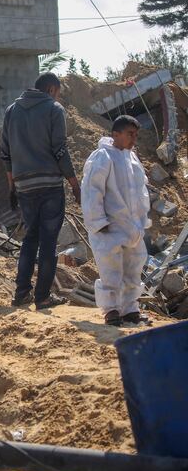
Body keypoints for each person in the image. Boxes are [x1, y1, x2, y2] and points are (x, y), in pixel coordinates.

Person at [1, 72, 81, 310]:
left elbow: (5, 154)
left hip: (24, 185)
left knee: (29, 239)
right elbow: (60, 150)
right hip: (49, 186)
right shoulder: (54, 109)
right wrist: (75, 183)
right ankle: (43, 297)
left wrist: (11, 187)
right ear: (51, 89)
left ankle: (21, 293)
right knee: (48, 243)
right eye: (58, 92)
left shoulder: (11, 111)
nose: (58, 97)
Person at [81, 115, 150, 326]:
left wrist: (141, 220)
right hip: (109, 226)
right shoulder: (103, 156)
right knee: (111, 269)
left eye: (136, 135)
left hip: (132, 227)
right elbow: (92, 191)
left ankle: (130, 308)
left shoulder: (132, 159)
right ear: (115, 134)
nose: (133, 139)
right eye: (130, 134)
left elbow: (140, 191)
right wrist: (98, 221)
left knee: (133, 267)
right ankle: (111, 310)